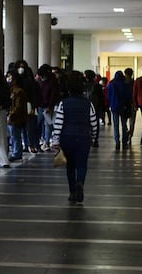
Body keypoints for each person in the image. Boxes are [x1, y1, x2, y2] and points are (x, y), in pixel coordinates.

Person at [51, 71, 99, 203]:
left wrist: (55, 140)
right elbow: (94, 122)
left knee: (70, 166)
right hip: (83, 137)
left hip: (67, 138)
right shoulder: (88, 104)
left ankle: (72, 192)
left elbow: (58, 123)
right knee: (82, 165)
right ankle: (80, 184)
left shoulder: (63, 103)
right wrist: (94, 137)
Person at [107, 70, 133, 150]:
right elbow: (129, 96)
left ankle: (117, 142)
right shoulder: (125, 85)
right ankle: (124, 142)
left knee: (116, 125)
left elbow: (108, 96)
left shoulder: (111, 85)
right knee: (124, 125)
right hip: (123, 107)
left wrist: (111, 104)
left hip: (114, 107)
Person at [7, 72, 29, 161]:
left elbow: (17, 106)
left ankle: (17, 153)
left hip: (17, 118)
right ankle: (16, 152)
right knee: (14, 135)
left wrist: (11, 114)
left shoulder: (19, 92)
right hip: (15, 117)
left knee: (16, 135)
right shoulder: (12, 91)